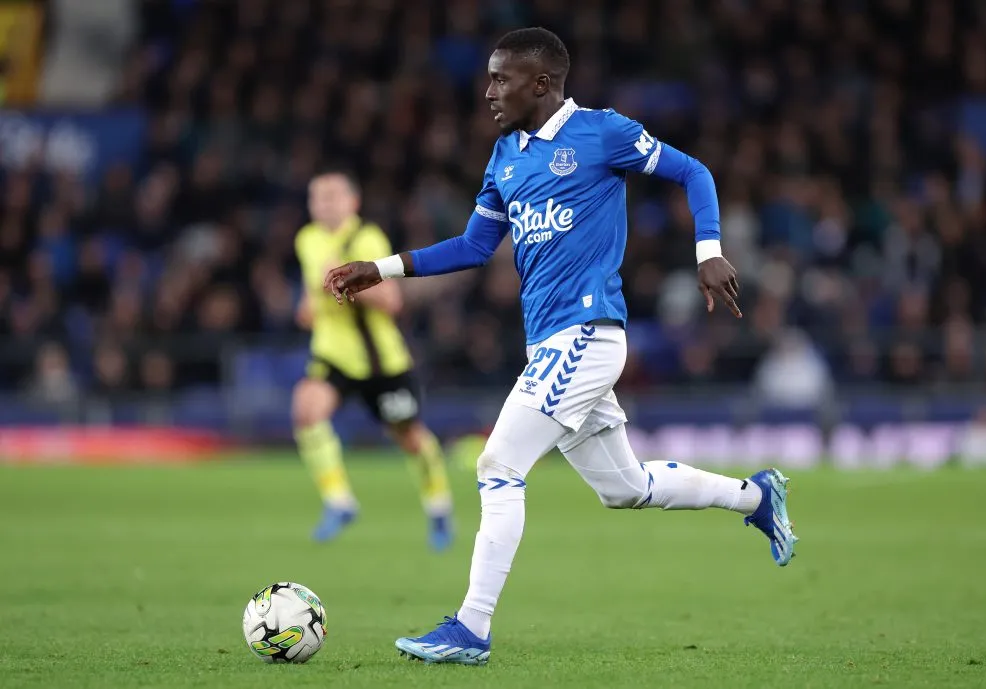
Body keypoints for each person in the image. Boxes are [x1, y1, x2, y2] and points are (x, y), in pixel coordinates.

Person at [323, 28, 798, 664]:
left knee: (498, 465)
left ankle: (471, 628)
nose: (489, 91)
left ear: (541, 83)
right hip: (549, 342)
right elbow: (473, 247)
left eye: (502, 79)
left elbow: (694, 171)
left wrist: (707, 251)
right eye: (489, 78)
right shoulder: (505, 156)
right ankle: (757, 496)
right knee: (624, 488)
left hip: (587, 333)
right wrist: (380, 269)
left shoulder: (602, 133)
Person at [293, 169, 453, 549]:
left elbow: (391, 301)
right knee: (307, 410)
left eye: (332, 196)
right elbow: (309, 299)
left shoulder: (367, 238)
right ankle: (339, 502)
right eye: (317, 197)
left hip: (381, 361)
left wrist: (344, 280)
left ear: (353, 202)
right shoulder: (307, 239)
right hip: (333, 354)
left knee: (409, 437)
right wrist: (309, 306)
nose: (323, 204)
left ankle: (439, 507)